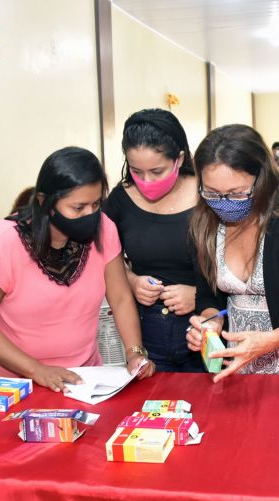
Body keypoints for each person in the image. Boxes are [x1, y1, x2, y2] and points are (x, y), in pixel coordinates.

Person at [0, 147, 155, 391]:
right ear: (45, 202)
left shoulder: (104, 229)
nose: (90, 214)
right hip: (9, 383)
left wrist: (134, 352)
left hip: (83, 377)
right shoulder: (3, 242)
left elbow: (120, 297)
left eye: (96, 204)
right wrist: (37, 370)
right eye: (78, 207)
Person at [186, 124, 279, 382]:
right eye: (212, 193)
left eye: (236, 193)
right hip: (236, 367)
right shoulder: (204, 225)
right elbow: (207, 297)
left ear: (263, 178)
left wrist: (268, 341)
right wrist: (210, 324)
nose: (224, 203)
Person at [103, 109, 204, 372]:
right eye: (136, 171)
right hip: (147, 331)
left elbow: (239, 267)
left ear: (179, 159)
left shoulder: (208, 195)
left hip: (204, 330)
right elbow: (106, 261)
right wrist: (133, 280)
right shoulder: (120, 201)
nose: (146, 181)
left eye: (157, 171)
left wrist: (201, 295)